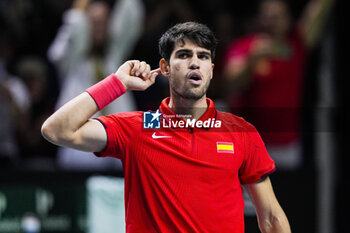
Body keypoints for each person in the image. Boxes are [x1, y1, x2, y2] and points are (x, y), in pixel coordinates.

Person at [42, 22, 291, 233]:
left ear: (211, 71)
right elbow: (56, 130)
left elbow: (271, 218)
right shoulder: (135, 129)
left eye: (203, 56)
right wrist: (116, 82)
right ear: (164, 68)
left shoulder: (241, 132)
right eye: (184, 55)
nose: (195, 63)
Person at [222, 0, 333, 169]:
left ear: (288, 20)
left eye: (276, 17)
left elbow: (317, 11)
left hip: (285, 147)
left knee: (285, 194)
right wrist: (254, 58)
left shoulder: (296, 44)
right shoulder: (244, 46)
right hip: (248, 145)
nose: (270, 22)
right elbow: (230, 81)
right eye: (266, 16)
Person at [47, 0, 144, 170]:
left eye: (104, 22)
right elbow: (64, 40)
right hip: (80, 146)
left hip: (118, 146)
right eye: (94, 22)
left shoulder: (115, 58)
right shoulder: (71, 60)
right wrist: (81, 7)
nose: (99, 28)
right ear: (85, 25)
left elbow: (131, 16)